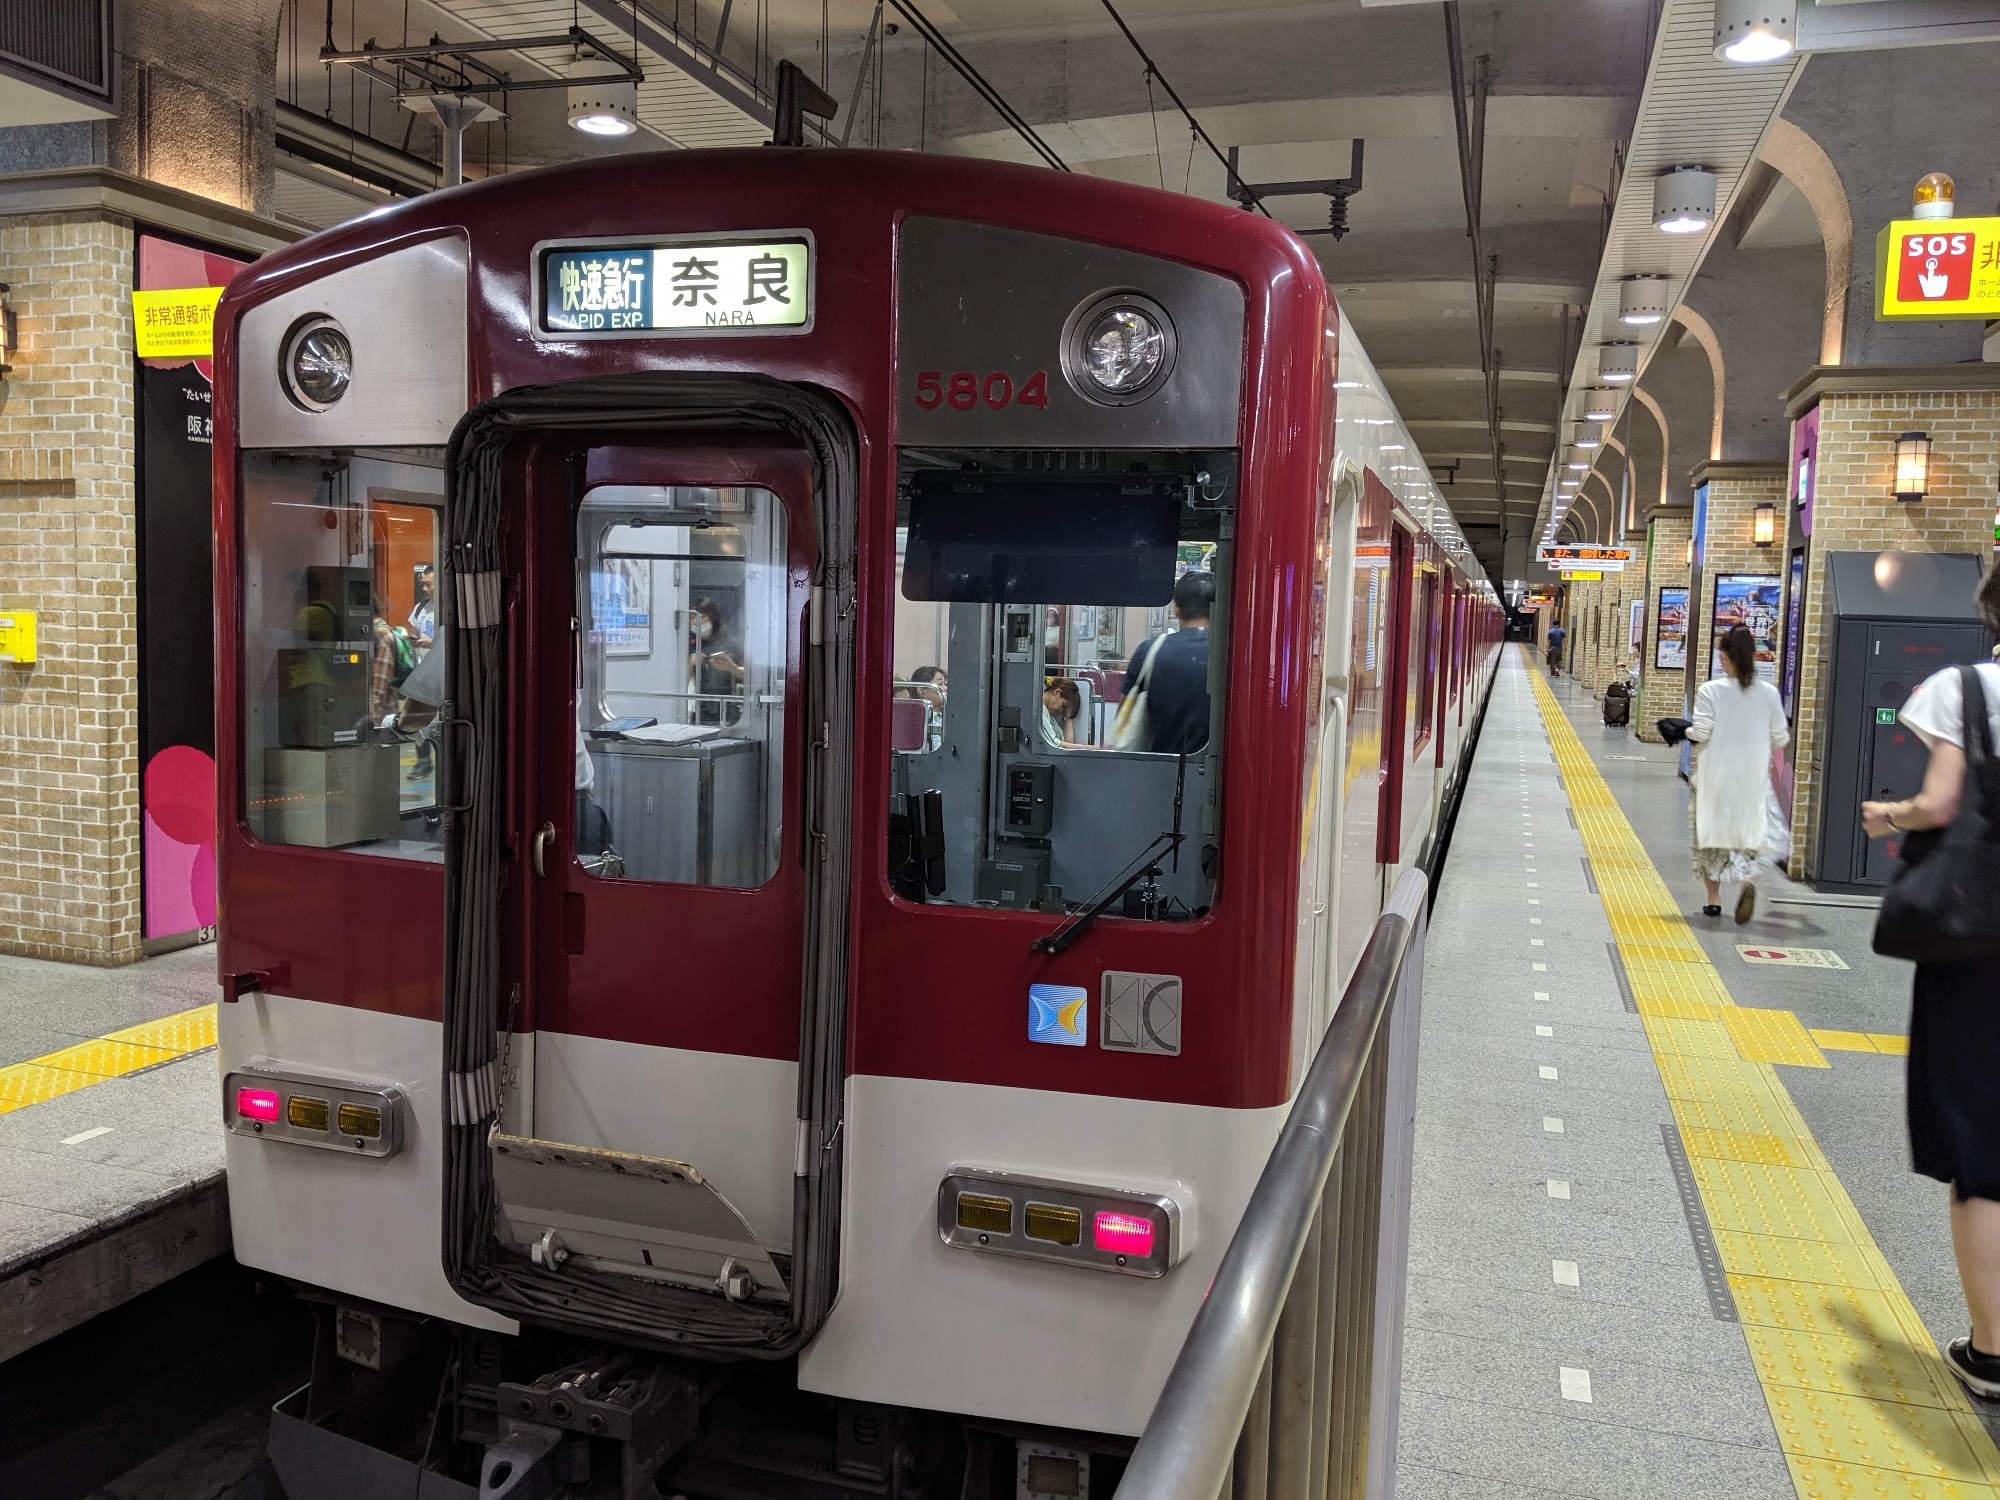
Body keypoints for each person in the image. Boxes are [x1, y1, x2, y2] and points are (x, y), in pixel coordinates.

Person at [1860, 562, 2000, 1400]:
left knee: (1983, 1146)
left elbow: (1942, 804)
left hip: (1979, 941)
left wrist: (1890, 815)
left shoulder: (1967, 690)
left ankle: (1992, 1350)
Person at [1686, 625, 1788, 922]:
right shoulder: (1769, 693)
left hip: (1713, 779)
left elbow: (1701, 733)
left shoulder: (1711, 691)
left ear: (1726, 657)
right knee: (1749, 834)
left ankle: (1713, 899)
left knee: (1709, 839)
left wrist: (1685, 730)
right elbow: (1780, 738)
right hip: (1752, 779)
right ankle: (1749, 880)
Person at [1123, 571, 1214, 756]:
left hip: (1156, 772)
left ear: (1176, 609)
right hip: (1222, 772)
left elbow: (1123, 716)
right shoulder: (1236, 653)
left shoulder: (1149, 650)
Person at [688, 597, 744, 726]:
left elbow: (751, 677)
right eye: (691, 618)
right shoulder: (685, 643)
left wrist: (731, 668)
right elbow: (678, 684)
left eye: (701, 617)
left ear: (712, 617)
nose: (695, 622)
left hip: (727, 710)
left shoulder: (731, 643)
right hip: (698, 711)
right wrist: (690, 664)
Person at [1042, 676, 1081, 746]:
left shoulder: (1049, 716)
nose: (1061, 710)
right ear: (1057, 692)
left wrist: (1067, 716)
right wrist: (1094, 749)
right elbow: (1055, 744)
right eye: (1063, 705)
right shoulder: (1040, 712)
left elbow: (1067, 743)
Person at [408, 563, 436, 655]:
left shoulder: (448, 610)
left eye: (428, 585)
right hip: (422, 664)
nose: (424, 588)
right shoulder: (420, 607)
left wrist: (432, 644)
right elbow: (413, 628)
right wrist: (413, 638)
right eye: (423, 584)